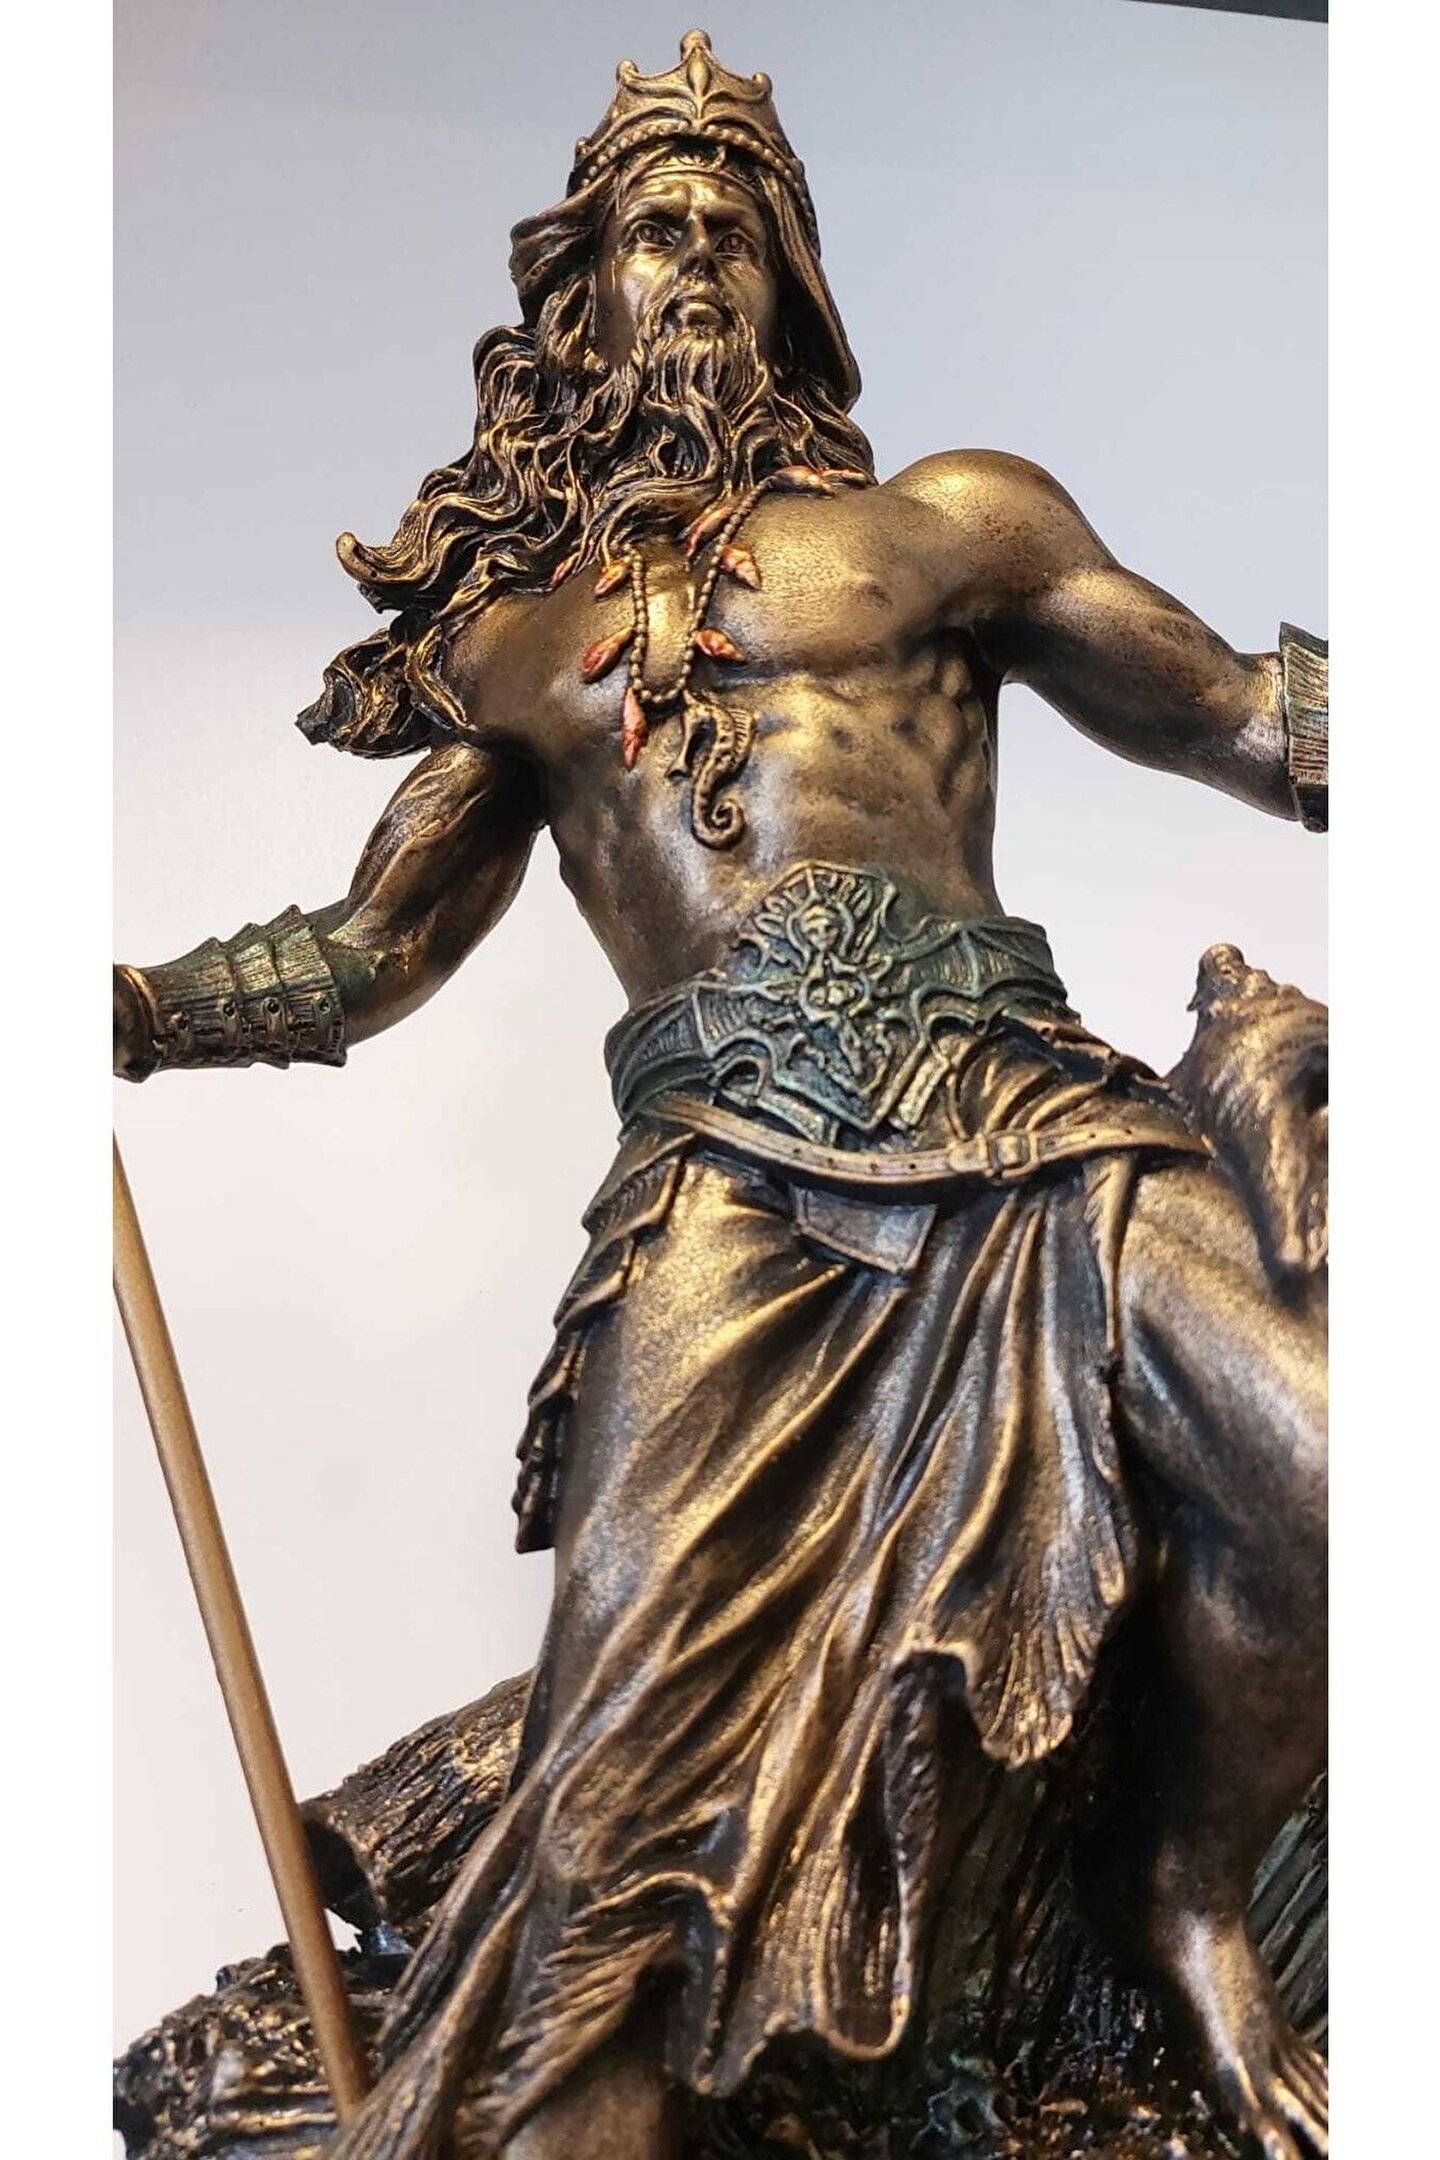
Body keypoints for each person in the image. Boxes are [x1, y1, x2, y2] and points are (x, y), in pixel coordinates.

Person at [114, 34, 1327, 2160]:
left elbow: (1239, 710)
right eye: (652, 230)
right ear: (582, 294)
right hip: (729, 1188)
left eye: (729, 229)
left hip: (1037, 1127)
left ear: (791, 280)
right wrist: (126, 1008)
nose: (690, 260)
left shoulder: (950, 526)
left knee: (1336, 1477)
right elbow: (369, 949)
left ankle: (1186, 1899)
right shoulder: (521, 644)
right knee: (621, 1808)